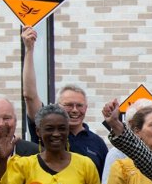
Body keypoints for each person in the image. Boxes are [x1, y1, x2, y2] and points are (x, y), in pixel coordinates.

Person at [21, 26, 108, 176]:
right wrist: (29, 50)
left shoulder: (97, 143)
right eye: (68, 105)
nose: (74, 110)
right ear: (57, 107)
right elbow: (30, 95)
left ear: (86, 108)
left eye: (79, 105)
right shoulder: (46, 131)